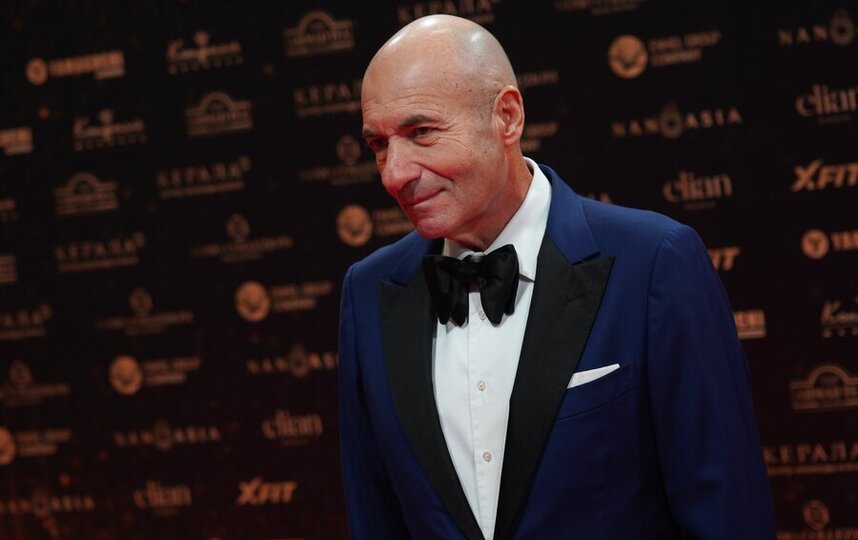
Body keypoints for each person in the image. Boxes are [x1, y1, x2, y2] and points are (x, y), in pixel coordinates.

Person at [338, 14, 775, 540]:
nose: (394, 174)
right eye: (379, 145)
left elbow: (727, 510)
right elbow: (374, 517)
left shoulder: (654, 262)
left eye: (421, 133)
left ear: (507, 117)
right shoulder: (368, 292)